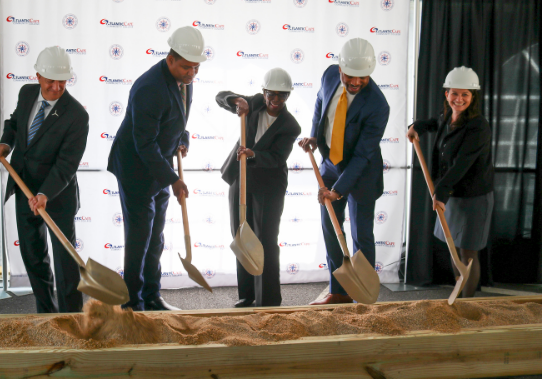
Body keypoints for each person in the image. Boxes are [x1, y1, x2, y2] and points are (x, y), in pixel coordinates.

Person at [106, 26, 206, 311]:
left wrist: (181, 138)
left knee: (156, 236)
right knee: (139, 239)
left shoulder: (185, 79)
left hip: (160, 166)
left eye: (196, 68)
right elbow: (144, 144)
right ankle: (132, 304)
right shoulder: (149, 88)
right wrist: (173, 180)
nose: (191, 74)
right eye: (186, 67)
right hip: (137, 169)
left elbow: (179, 118)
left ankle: (152, 295)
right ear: (170, 59)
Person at [0, 46, 88, 313]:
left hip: (57, 195)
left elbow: (66, 165)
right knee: (33, 257)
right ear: (38, 76)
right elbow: (14, 123)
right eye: (51, 81)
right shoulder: (26, 94)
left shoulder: (77, 115)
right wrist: (5, 143)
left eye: (62, 81)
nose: (57, 87)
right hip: (24, 189)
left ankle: (72, 317)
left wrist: (45, 194)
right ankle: (47, 313)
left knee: (66, 262)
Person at [298, 38, 390, 305]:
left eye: (363, 77)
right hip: (329, 165)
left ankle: (363, 295)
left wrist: (338, 190)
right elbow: (320, 103)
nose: (357, 82)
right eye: (351, 76)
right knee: (331, 229)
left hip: (361, 174)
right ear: (340, 68)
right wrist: (314, 136)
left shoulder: (377, 105)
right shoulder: (329, 75)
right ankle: (337, 292)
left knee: (361, 236)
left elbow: (362, 156)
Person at [216, 68, 302, 308]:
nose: (276, 101)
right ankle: (246, 295)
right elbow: (220, 96)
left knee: (264, 239)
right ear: (263, 92)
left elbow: (277, 158)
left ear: (288, 96)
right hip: (240, 177)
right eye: (271, 94)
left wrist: (253, 154)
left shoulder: (290, 126)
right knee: (241, 234)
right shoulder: (252, 102)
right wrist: (236, 101)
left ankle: (269, 299)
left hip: (268, 185)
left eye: (282, 95)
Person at [407, 66, 493, 298]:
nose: (459, 99)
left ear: (473, 97)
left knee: (468, 253)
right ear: (447, 94)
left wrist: (440, 193)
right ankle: (460, 289)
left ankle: (467, 303)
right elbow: (434, 122)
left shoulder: (478, 126)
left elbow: (462, 164)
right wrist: (417, 126)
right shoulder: (447, 116)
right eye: (455, 93)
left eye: (465, 94)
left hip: (473, 197)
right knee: (452, 245)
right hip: (451, 193)